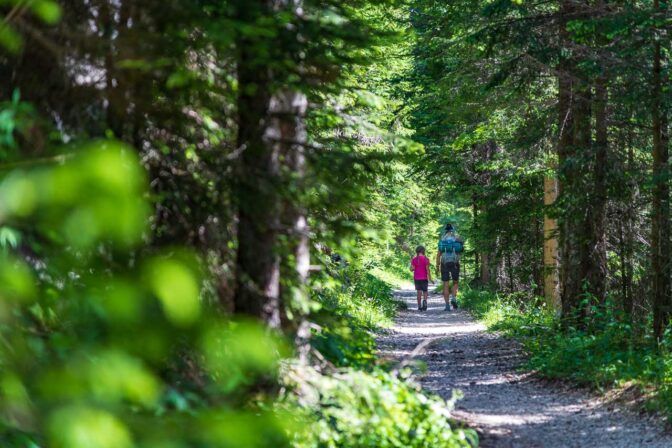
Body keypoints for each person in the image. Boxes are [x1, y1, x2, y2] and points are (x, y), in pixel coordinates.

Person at [435, 223, 463, 311]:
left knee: (445, 285)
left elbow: (438, 254)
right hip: (455, 263)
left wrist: (437, 266)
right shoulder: (457, 239)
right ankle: (454, 298)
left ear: (445, 230)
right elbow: (461, 251)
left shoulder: (442, 240)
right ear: (452, 230)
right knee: (455, 283)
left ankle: (447, 306)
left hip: (444, 264)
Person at [410, 245, 433, 311]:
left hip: (417, 278)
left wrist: (411, 264)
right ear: (423, 251)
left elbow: (412, 269)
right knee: (425, 291)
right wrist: (430, 278)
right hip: (424, 278)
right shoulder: (426, 259)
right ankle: (425, 301)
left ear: (416, 251)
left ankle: (419, 306)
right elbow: (427, 269)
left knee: (419, 292)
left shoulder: (414, 259)